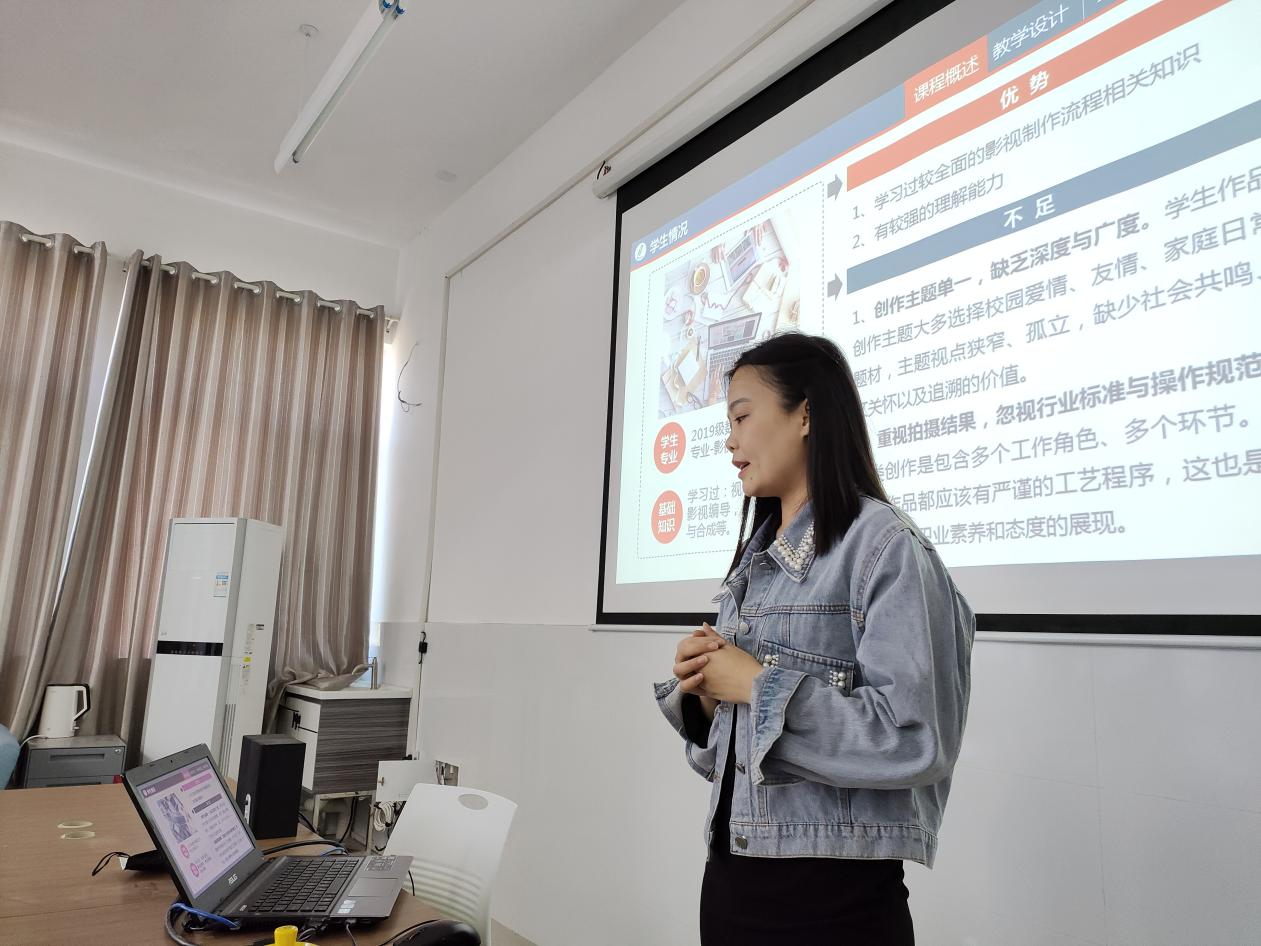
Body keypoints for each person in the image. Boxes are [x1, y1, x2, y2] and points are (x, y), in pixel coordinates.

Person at [654, 332, 975, 944]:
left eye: (741, 417)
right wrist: (708, 696)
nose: (729, 441)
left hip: (835, 907)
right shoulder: (757, 561)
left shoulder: (884, 547)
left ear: (805, 414)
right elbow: (729, 760)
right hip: (731, 883)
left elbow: (917, 739)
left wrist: (757, 685)